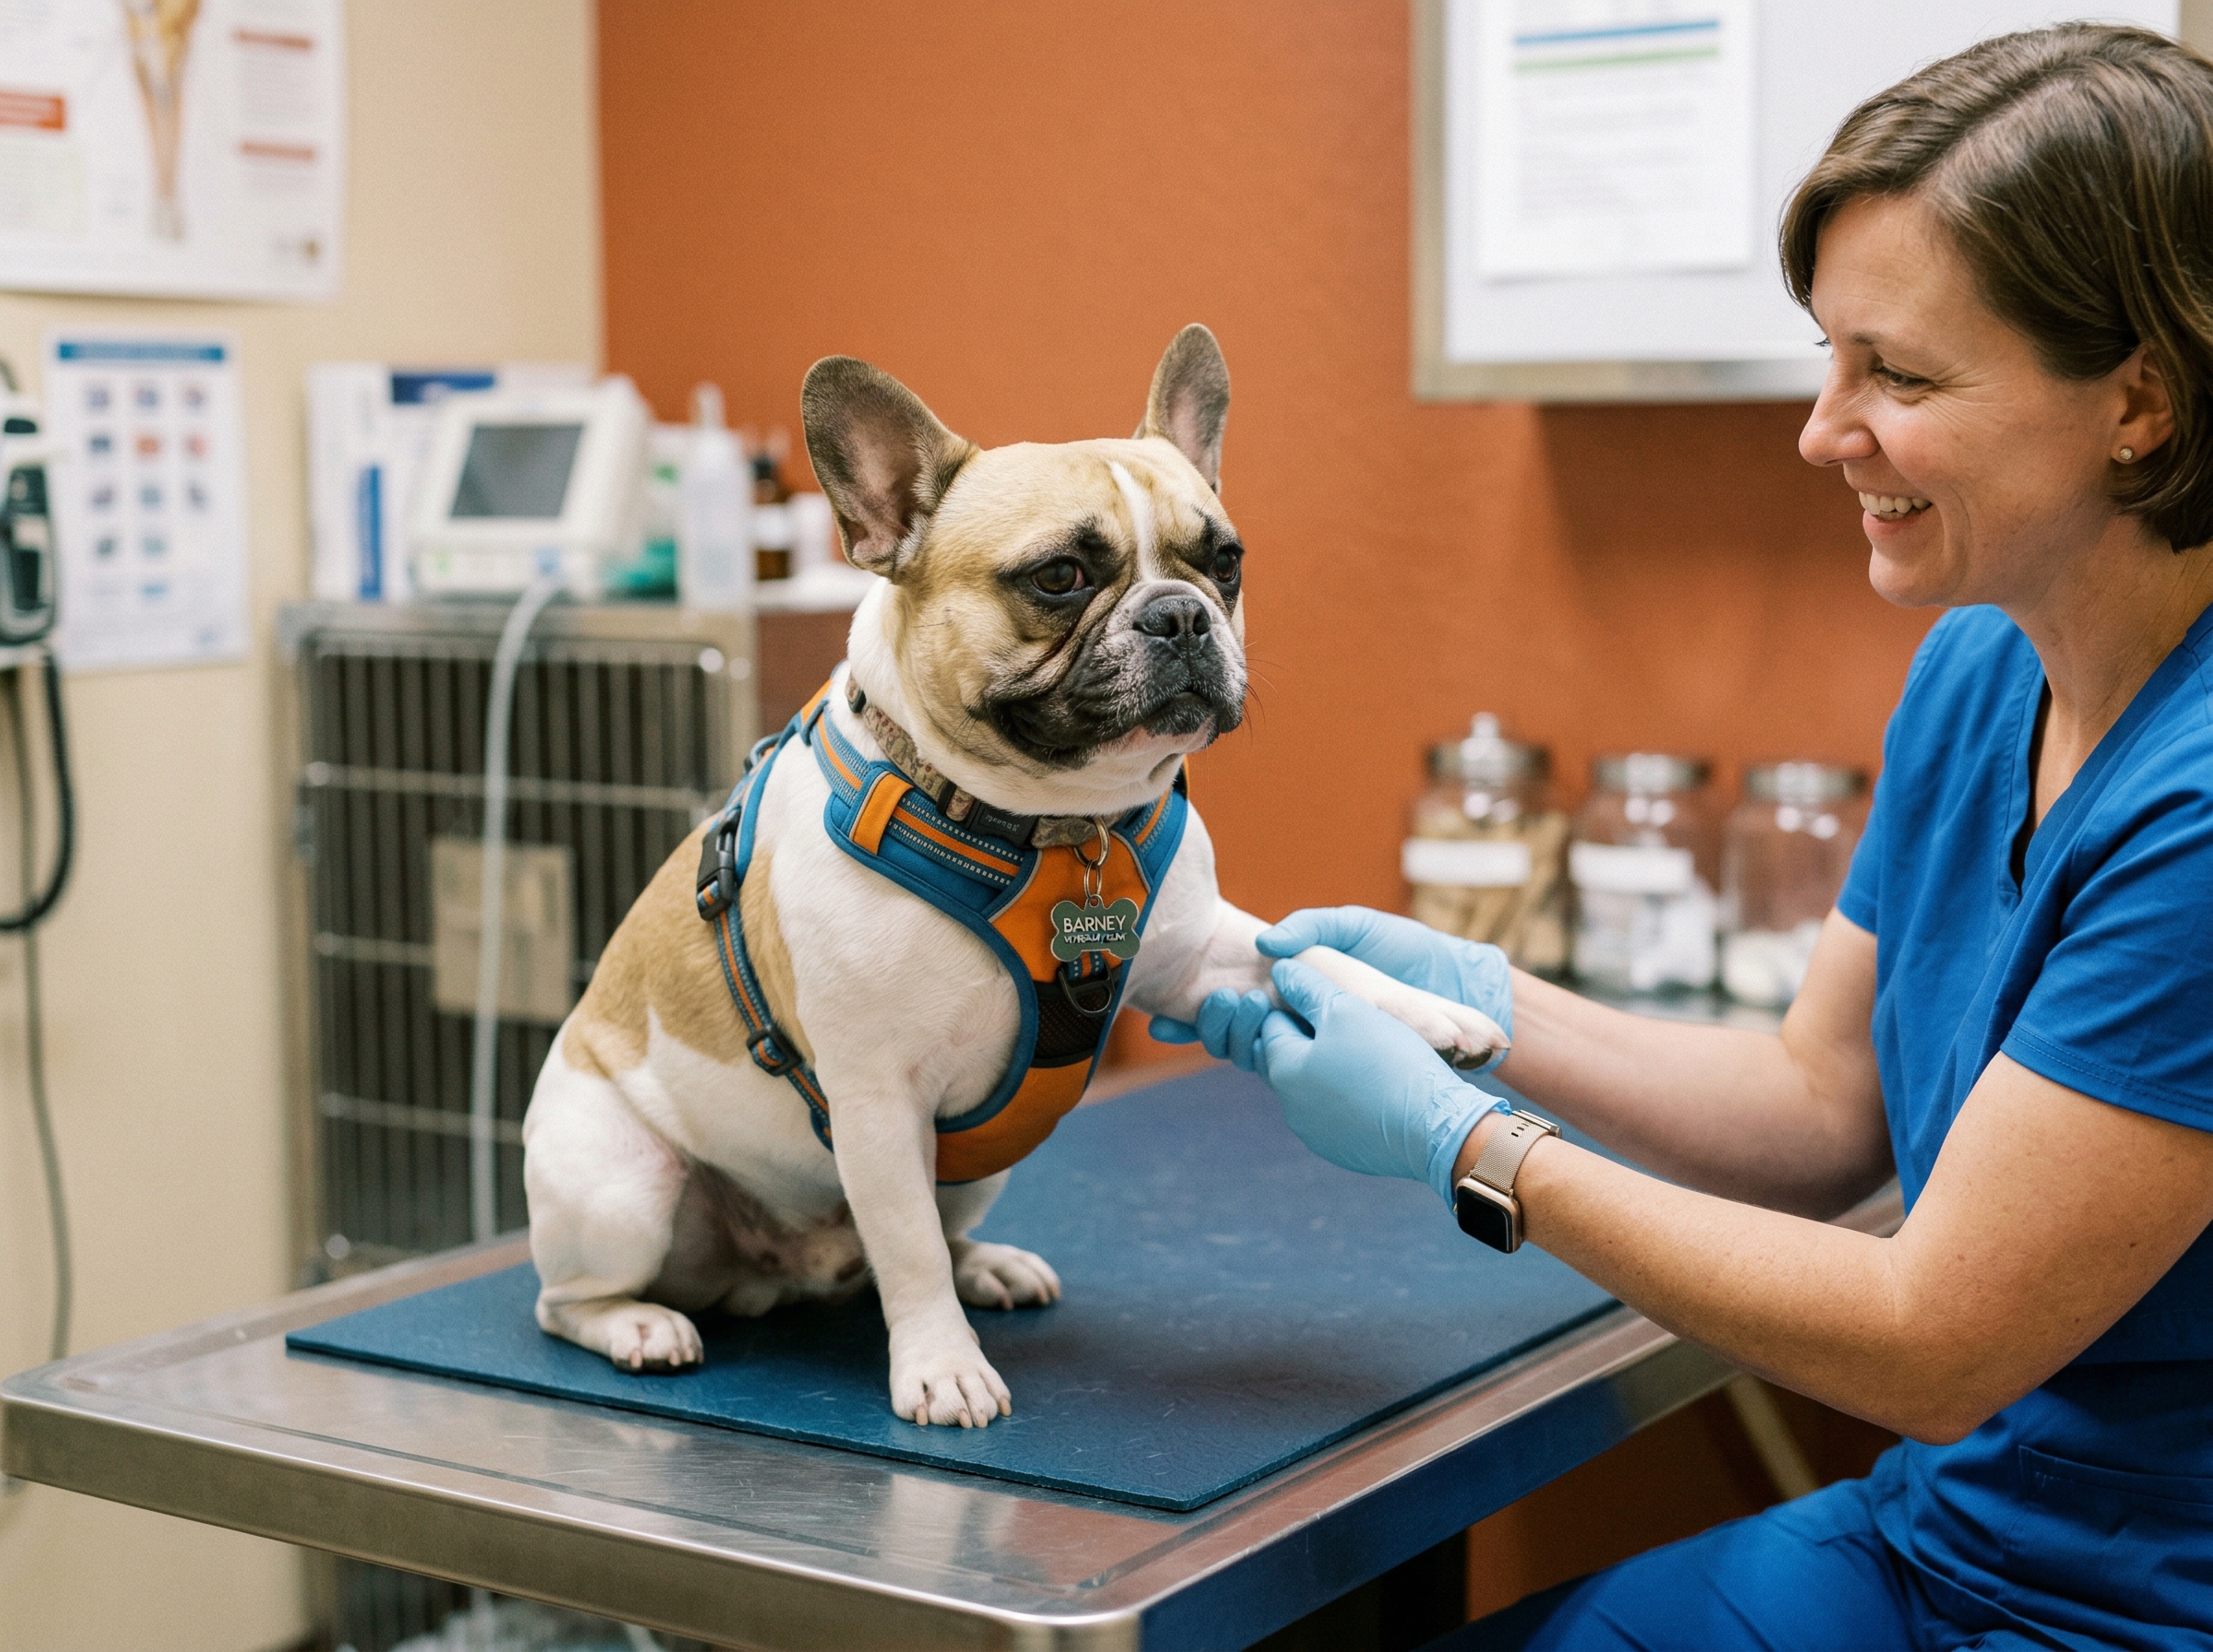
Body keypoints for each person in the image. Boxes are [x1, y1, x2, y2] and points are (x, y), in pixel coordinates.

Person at [1159, 24, 2213, 1651]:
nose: (1822, 428)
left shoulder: (2199, 814)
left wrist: (1470, 1146)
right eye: (1828, 354)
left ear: (2139, 401)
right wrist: (1487, 1006)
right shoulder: (1979, 668)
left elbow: (1932, 1339)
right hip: (1939, 1542)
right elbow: (1822, 1104)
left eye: (1902, 376)